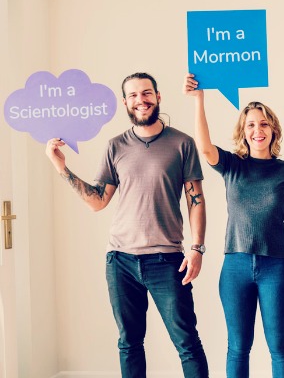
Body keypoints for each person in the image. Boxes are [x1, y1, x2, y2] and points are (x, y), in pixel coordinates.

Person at [45, 72, 209, 377]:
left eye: (146, 93)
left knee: (187, 342)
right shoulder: (115, 146)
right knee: (129, 344)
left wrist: (197, 247)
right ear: (125, 103)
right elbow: (98, 201)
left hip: (167, 259)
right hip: (120, 261)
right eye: (133, 96)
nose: (141, 100)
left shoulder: (181, 143)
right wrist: (61, 167)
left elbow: (195, 199)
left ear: (158, 97)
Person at [184, 74, 284, 378]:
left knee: (279, 346)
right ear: (243, 131)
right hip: (235, 267)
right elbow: (203, 148)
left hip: (277, 269)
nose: (258, 130)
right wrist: (199, 100)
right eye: (251, 124)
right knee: (238, 347)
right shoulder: (232, 166)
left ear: (273, 130)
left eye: (264, 124)